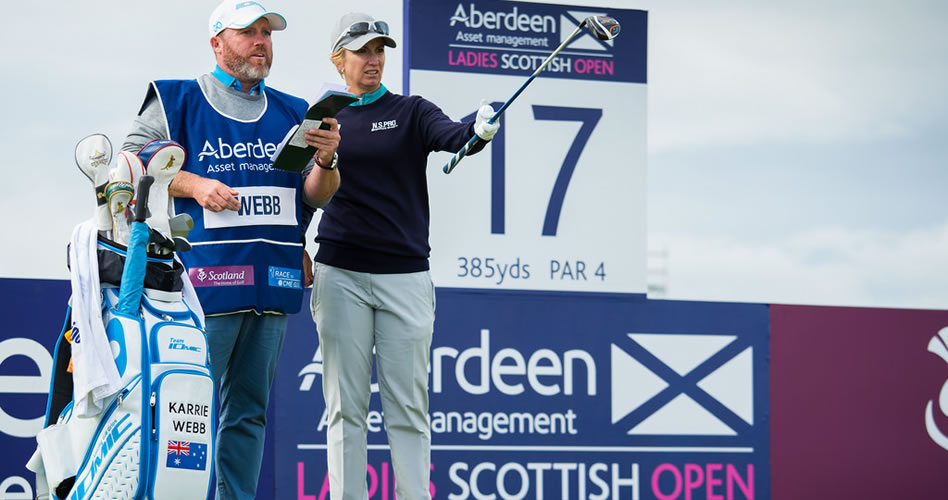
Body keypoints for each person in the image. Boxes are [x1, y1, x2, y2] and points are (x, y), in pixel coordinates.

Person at [120, 1, 341, 499]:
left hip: (274, 282)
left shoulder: (293, 111)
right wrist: (194, 184)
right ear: (217, 43)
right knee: (186, 414)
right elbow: (131, 157)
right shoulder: (177, 99)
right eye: (249, 33)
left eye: (267, 33)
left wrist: (327, 158)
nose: (262, 41)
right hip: (204, 286)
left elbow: (314, 194)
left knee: (248, 414)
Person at [308, 12, 499, 500]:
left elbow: (453, 136)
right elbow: (303, 190)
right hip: (341, 274)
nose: (373, 60)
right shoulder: (322, 118)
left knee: (408, 408)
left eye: (379, 51)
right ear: (338, 59)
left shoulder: (411, 110)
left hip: (405, 277)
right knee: (345, 408)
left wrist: (477, 131)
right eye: (362, 51)